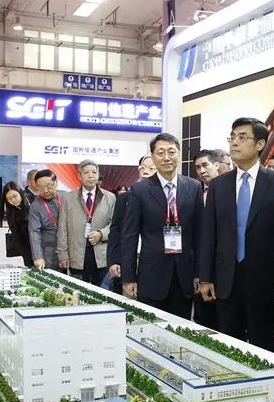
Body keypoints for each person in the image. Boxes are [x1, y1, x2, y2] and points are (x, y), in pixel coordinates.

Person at [200, 118, 274, 349]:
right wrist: (205, 277)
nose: (234, 143)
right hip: (225, 278)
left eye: (242, 137)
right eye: (232, 137)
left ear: (260, 144)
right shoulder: (218, 185)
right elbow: (209, 235)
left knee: (262, 345)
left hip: (264, 280)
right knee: (229, 345)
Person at [121, 134, 202, 318]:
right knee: (151, 328)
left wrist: (199, 273)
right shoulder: (139, 190)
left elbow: (199, 234)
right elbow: (129, 236)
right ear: (152, 156)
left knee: (180, 327)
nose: (166, 157)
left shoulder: (194, 187)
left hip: (185, 274)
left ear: (179, 154)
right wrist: (128, 277)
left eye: (171, 152)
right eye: (160, 153)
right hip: (151, 275)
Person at [57, 160, 116, 286]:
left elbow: (115, 225)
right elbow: (62, 228)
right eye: (86, 173)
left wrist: (101, 233)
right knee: (77, 290)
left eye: (94, 172)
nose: (91, 176)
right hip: (76, 253)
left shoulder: (110, 197)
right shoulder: (68, 198)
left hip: (101, 253)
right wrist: (62, 255)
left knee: (101, 290)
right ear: (79, 175)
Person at [107, 155, 156, 292]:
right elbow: (115, 230)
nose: (146, 171)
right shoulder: (124, 198)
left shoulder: (165, 198)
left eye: (151, 168)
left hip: (154, 261)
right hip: (128, 260)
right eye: (143, 168)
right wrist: (113, 260)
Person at [191, 149, 222, 329]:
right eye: (197, 167)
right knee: (203, 321)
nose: (202, 171)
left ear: (216, 165)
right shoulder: (195, 192)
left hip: (224, 266)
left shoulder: (230, 190)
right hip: (199, 266)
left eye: (205, 165)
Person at [28, 169, 67, 271]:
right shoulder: (35, 206)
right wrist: (38, 257)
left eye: (49, 186)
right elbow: (34, 232)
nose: (45, 191)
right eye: (40, 188)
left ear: (56, 182)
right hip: (50, 253)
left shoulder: (67, 197)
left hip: (70, 251)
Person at [0, 181, 33, 268]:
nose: (13, 200)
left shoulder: (32, 202)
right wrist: (30, 257)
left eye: (15, 196)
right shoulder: (11, 214)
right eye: (9, 199)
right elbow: (19, 239)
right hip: (28, 252)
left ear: (20, 192)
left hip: (45, 247)